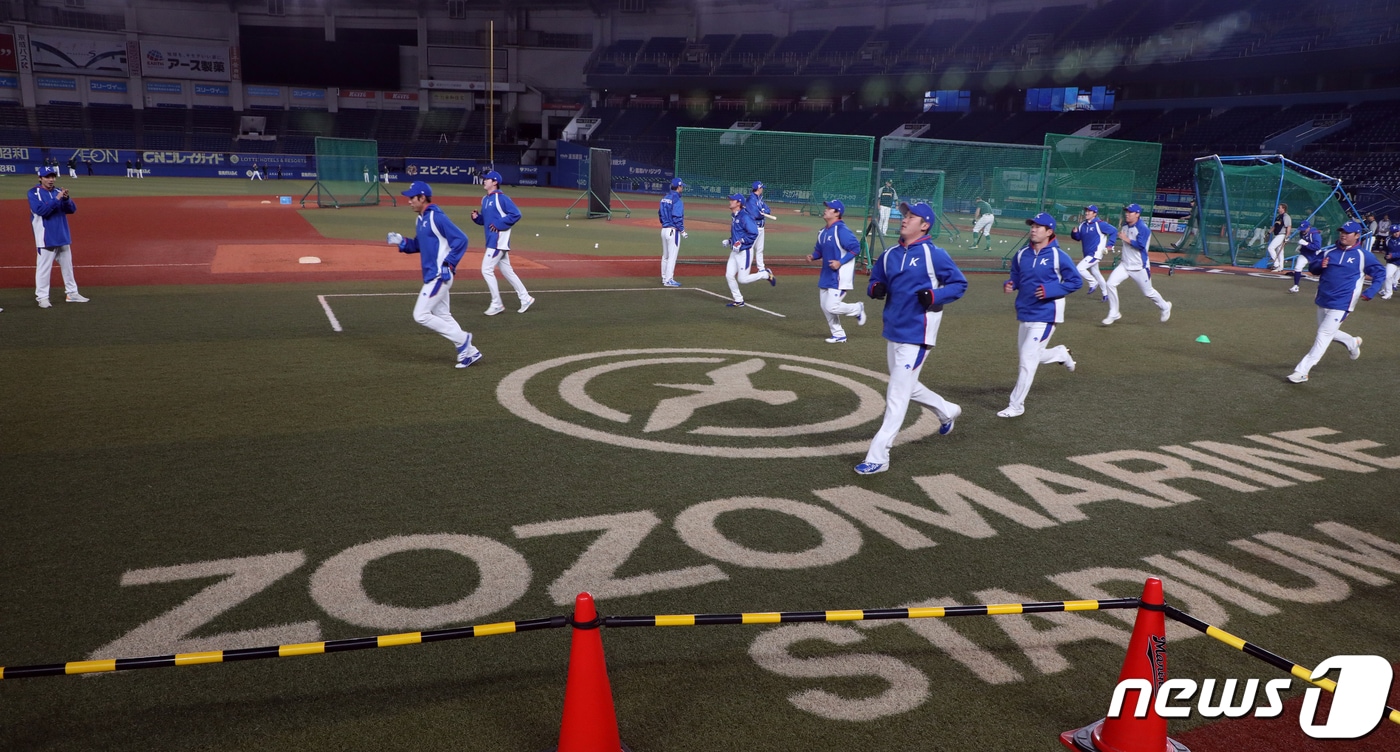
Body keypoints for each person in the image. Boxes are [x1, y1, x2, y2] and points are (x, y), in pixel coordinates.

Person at [855, 201, 966, 476]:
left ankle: (879, 455)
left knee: (896, 394)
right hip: (894, 329)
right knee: (906, 386)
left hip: (918, 332)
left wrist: (934, 296)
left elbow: (959, 284)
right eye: (905, 215)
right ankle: (947, 410)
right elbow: (875, 281)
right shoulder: (890, 254)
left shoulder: (934, 255)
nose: (904, 219)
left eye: (911, 216)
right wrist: (875, 288)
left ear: (924, 224)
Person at [386, 181, 481, 369]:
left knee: (420, 315)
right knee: (443, 315)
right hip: (433, 274)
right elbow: (420, 245)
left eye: (412, 198)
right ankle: (470, 352)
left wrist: (449, 263)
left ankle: (463, 339)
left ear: (422, 198)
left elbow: (461, 239)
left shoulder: (436, 217)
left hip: (439, 275)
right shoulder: (420, 219)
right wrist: (402, 242)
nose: (409, 201)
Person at [998, 212, 1082, 419]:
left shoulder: (1058, 256)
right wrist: (1011, 284)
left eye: (1038, 226)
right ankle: (1061, 354)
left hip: (1047, 313)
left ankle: (1016, 405)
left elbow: (1075, 282)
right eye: (1032, 225)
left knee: (1027, 359)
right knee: (1031, 355)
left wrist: (1051, 291)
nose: (1033, 229)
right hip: (1025, 311)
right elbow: (1016, 274)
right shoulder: (1022, 253)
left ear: (1049, 231)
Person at [1285, 220, 1385, 383]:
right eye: (1342, 232)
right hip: (1323, 299)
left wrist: (1372, 291)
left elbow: (1380, 273)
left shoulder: (1363, 256)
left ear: (1357, 236)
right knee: (1327, 331)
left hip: (1343, 303)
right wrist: (1320, 265)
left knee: (1323, 334)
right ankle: (1352, 342)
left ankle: (1302, 371)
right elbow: (1313, 269)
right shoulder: (1329, 251)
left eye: (1347, 233)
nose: (1343, 235)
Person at [472, 170, 534, 315]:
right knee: (507, 271)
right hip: (493, 240)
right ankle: (525, 298)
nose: (484, 181)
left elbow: (516, 214)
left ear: (494, 182)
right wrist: (477, 218)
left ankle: (497, 303)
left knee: (486, 269)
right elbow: (487, 221)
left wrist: (500, 224)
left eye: (487, 179)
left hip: (498, 240)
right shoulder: (485, 199)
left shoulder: (502, 198)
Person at [1102, 203, 1172, 326]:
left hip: (1139, 266)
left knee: (1148, 292)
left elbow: (1141, 246)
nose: (1127, 214)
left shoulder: (1143, 228)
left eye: (1130, 212)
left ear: (1137, 214)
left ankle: (1165, 306)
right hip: (1124, 264)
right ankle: (1114, 312)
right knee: (1110, 284)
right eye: (1126, 212)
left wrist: (1125, 239)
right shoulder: (1124, 225)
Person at [808, 199, 867, 343]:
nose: (826, 210)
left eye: (829, 208)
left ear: (837, 213)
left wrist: (840, 262)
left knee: (831, 306)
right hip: (827, 275)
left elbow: (855, 248)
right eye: (827, 208)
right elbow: (819, 250)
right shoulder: (822, 232)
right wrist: (813, 256)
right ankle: (839, 334)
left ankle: (857, 309)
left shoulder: (841, 230)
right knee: (825, 307)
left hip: (840, 276)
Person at [30, 166, 88, 308]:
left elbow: (72, 209)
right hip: (46, 237)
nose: (51, 180)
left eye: (52, 177)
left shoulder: (58, 192)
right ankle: (42, 297)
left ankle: (72, 293)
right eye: (47, 177)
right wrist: (57, 199)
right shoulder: (34, 192)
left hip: (62, 235)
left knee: (68, 267)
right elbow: (41, 210)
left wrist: (66, 199)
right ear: (40, 178)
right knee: (44, 269)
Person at [722, 192, 774, 307]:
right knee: (729, 275)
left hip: (745, 252)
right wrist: (730, 241)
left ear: (738, 203)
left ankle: (765, 274)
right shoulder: (734, 215)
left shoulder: (744, 216)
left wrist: (741, 242)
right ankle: (739, 300)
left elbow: (753, 233)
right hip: (735, 252)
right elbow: (738, 233)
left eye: (733, 200)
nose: (730, 201)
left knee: (743, 279)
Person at [1070, 204, 1115, 300]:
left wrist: (1110, 245)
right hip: (1087, 254)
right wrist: (1074, 233)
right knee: (1096, 272)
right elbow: (1078, 238)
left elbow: (1114, 231)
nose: (1086, 213)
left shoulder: (1100, 224)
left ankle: (1092, 282)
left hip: (1095, 253)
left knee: (1079, 269)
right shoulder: (1083, 224)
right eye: (1086, 210)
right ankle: (1105, 294)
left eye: (1089, 211)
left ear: (1094, 214)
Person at [658, 177, 687, 287]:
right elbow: (677, 217)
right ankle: (669, 279)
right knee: (672, 257)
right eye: (681, 186)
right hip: (673, 231)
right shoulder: (677, 200)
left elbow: (660, 213)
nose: (682, 188)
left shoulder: (664, 198)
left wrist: (664, 222)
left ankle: (664, 278)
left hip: (664, 230)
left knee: (665, 256)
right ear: (678, 187)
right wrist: (682, 230)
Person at [744, 180, 777, 272]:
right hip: (754, 227)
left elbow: (767, 210)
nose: (762, 189)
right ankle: (745, 267)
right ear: (758, 188)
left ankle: (761, 268)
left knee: (760, 249)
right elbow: (756, 214)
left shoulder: (759, 199)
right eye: (762, 188)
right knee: (749, 248)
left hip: (761, 228)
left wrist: (763, 211)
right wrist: (761, 212)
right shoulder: (751, 199)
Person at [1288, 219, 1323, 293]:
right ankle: (1296, 286)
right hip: (1305, 254)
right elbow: (1303, 242)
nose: (1303, 231)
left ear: (1308, 227)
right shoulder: (1302, 233)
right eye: (1301, 229)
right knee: (1298, 267)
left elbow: (1317, 246)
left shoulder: (1315, 234)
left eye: (1304, 229)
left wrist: (1306, 244)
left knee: (1320, 271)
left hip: (1315, 255)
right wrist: (1301, 247)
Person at [1266, 203, 1292, 272]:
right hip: (1278, 234)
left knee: (1270, 248)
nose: (1278, 208)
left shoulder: (1286, 216)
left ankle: (1276, 264)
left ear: (1283, 208)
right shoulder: (1279, 217)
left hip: (1282, 235)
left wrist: (1287, 236)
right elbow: (1274, 226)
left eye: (1279, 207)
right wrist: (1269, 233)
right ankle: (1280, 267)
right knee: (1280, 252)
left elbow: (1288, 227)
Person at [1381, 224, 1400, 300]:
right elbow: (1386, 250)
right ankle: (1388, 292)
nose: (1396, 233)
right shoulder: (1388, 240)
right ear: (1391, 232)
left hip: (1396, 259)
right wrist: (1387, 256)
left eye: (1398, 231)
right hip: (1393, 262)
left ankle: (1387, 288)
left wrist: (1392, 255)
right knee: (1388, 275)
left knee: (1394, 279)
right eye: (1394, 232)